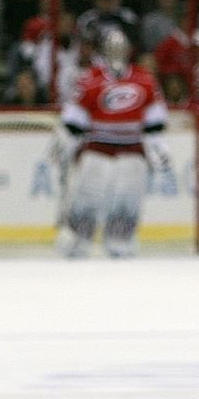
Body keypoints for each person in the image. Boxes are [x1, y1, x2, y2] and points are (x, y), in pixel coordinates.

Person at [52, 26, 171, 257]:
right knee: (88, 192)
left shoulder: (144, 79)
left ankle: (121, 238)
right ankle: (79, 237)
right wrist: (67, 143)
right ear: (104, 51)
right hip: (97, 145)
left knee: (128, 195)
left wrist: (158, 144)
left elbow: (155, 120)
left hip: (133, 147)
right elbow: (75, 119)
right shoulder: (90, 80)